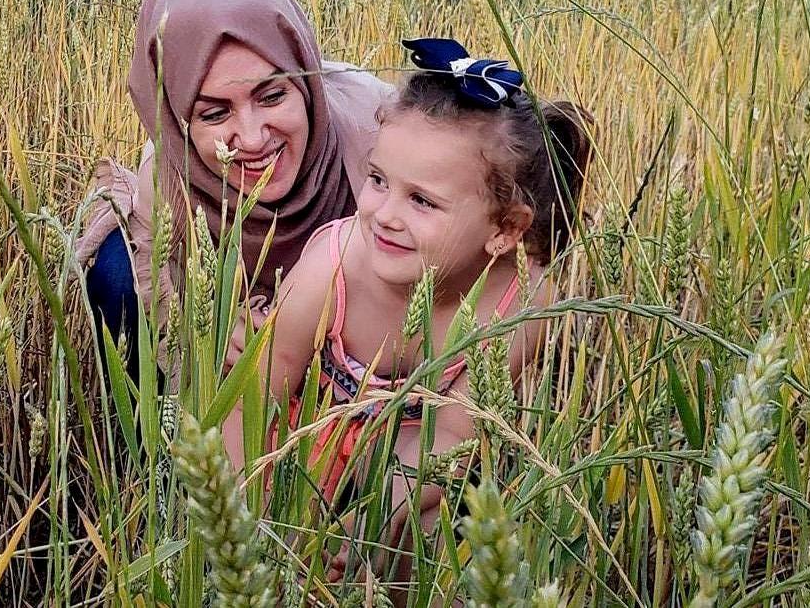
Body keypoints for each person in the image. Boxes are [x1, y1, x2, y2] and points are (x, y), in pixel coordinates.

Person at [223, 36, 593, 526]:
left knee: (431, 529)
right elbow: (258, 386)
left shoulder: (518, 304)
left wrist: (369, 521)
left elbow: (452, 437)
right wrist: (243, 507)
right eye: (378, 180)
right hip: (295, 441)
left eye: (422, 201)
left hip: (410, 465)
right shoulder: (336, 262)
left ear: (505, 229)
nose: (383, 215)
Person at [76, 0, 392, 372]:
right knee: (117, 270)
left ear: (306, 84)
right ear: (176, 121)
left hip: (365, 361)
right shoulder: (169, 177)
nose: (253, 137)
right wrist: (209, 341)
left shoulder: (378, 128)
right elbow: (172, 319)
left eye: (272, 95)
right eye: (215, 112)